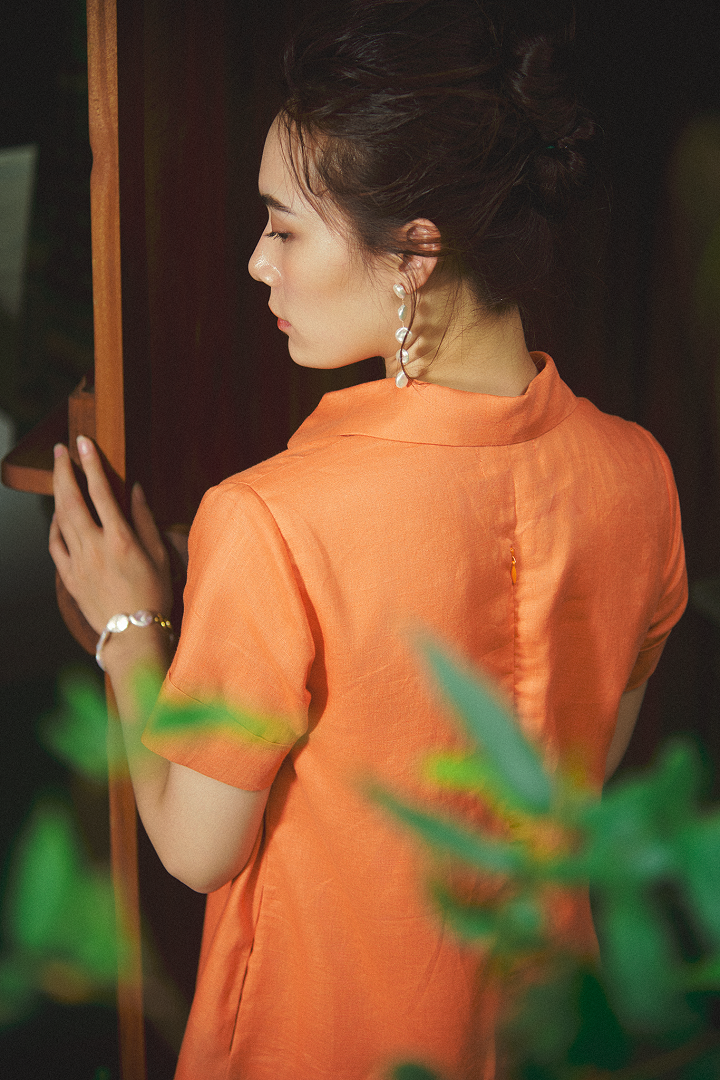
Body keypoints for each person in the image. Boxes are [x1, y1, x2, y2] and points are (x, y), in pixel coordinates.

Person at [49, 1, 687, 1077]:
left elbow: (197, 848)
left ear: (415, 254)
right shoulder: (639, 473)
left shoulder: (273, 519)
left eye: (285, 228)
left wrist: (129, 629)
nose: (257, 263)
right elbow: (583, 764)